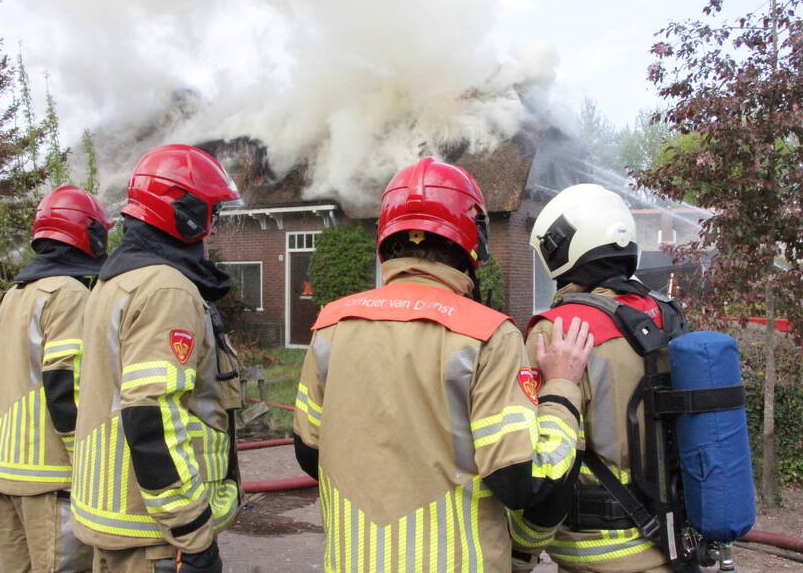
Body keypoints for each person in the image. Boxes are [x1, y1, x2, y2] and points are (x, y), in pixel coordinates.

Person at [292, 156, 594, 572]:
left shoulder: (331, 325)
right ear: (474, 238)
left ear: (387, 235)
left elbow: (309, 453)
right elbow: (521, 481)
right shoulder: (488, 334)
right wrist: (561, 388)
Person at [72, 144, 244, 573]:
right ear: (187, 215)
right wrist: (193, 533)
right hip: (157, 537)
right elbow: (153, 415)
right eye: (212, 215)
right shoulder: (167, 289)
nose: (212, 231)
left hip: (118, 517)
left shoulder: (115, 281)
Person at [522, 183, 688, 573]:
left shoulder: (558, 330)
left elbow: (537, 453)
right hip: (672, 538)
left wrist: (520, 551)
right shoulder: (665, 316)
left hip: (597, 550)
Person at [0, 185, 112, 573]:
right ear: (88, 234)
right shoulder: (68, 293)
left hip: (5, 471)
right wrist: (86, 461)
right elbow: (65, 384)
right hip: (51, 477)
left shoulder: (15, 294)